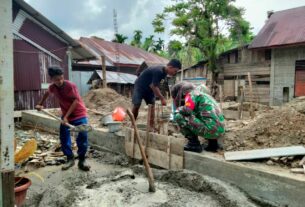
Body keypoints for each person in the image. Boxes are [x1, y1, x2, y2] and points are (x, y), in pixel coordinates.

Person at [35, 66, 90, 171]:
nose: (59, 81)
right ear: (52, 79)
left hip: (79, 114)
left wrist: (66, 117)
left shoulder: (70, 86)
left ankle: (82, 160)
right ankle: (70, 159)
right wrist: (40, 104)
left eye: (61, 78)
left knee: (82, 136)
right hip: (66, 115)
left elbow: (76, 101)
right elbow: (47, 93)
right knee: (64, 137)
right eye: (56, 79)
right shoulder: (53, 87)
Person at [171, 82, 225, 153]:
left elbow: (187, 110)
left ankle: (193, 144)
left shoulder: (190, 95)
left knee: (178, 116)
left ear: (183, 92)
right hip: (220, 130)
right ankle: (213, 145)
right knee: (204, 116)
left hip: (211, 130)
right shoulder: (205, 96)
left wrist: (177, 110)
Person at [132, 59, 181, 129]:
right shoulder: (159, 71)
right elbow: (153, 86)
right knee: (137, 104)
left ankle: (151, 127)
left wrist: (159, 95)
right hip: (140, 86)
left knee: (152, 105)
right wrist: (162, 98)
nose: (175, 73)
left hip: (149, 89)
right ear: (170, 67)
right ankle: (132, 124)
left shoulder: (164, 73)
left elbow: (155, 85)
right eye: (175, 71)